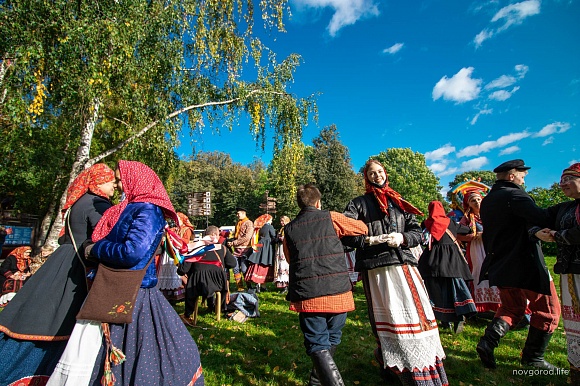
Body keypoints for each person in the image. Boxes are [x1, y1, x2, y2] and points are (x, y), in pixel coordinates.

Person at [48, 160, 204, 386]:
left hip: (132, 289)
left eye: (121, 181)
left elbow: (133, 252)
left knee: (146, 350)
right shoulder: (134, 207)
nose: (120, 186)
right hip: (117, 285)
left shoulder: (148, 210)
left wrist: (96, 249)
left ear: (136, 181)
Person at [0, 163, 116, 385]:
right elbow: (104, 234)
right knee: (62, 317)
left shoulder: (78, 203)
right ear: (99, 181)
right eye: (111, 181)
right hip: (79, 264)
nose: (114, 186)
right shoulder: (97, 203)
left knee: (44, 310)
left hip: (63, 257)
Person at [342, 159, 448, 385]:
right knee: (388, 317)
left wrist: (402, 238)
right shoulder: (358, 203)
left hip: (404, 264)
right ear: (366, 177)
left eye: (380, 171)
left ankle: (421, 367)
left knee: (418, 318)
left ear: (385, 173)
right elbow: (345, 231)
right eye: (372, 173)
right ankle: (392, 368)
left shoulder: (398, 202)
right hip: (376, 267)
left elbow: (418, 233)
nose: (377, 175)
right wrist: (368, 240)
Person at [476, 159, 561, 370]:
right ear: (512, 176)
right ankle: (533, 358)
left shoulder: (488, 200)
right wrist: (565, 208)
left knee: (512, 308)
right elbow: (540, 217)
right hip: (525, 263)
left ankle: (488, 342)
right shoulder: (514, 195)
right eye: (522, 175)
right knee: (548, 310)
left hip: (501, 263)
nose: (524, 179)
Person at [283, 183, 367, 385]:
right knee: (332, 338)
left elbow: (288, 258)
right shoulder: (332, 217)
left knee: (317, 342)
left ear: (299, 204)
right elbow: (362, 228)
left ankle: (318, 381)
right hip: (338, 291)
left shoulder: (289, 228)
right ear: (318, 202)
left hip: (308, 294)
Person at [532, 163, 580, 383]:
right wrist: (537, 233)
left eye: (568, 180)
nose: (562, 185)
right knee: (575, 323)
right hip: (570, 272)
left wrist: (557, 234)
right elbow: (536, 218)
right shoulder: (564, 208)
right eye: (561, 181)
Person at [419, 201, 476, 333]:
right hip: (452, 262)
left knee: (435, 291)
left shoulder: (425, 223)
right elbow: (467, 230)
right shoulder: (450, 223)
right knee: (455, 289)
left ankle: (444, 320)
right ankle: (459, 317)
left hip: (431, 262)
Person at [178, 225, 236, 325]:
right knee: (222, 281)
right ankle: (219, 308)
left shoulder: (195, 248)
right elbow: (232, 264)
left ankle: (188, 314)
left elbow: (182, 270)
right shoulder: (222, 248)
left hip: (197, 286)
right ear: (213, 235)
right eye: (218, 235)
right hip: (218, 284)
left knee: (190, 286)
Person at [457, 189, 502, 314]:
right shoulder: (467, 219)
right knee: (479, 273)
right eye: (473, 200)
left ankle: (502, 304)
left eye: (478, 199)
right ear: (469, 204)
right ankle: (483, 306)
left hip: (494, 246)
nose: (476, 202)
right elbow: (458, 235)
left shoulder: (492, 214)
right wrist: (473, 237)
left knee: (497, 271)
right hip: (477, 248)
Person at [157, 211, 194, 302]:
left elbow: (185, 242)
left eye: (178, 219)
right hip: (169, 253)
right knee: (166, 272)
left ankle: (179, 294)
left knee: (176, 273)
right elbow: (166, 239)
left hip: (178, 253)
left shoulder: (186, 229)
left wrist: (175, 240)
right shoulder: (173, 229)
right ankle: (167, 294)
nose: (175, 220)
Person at [245, 214, 277, 292]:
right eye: (271, 219)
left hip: (259, 244)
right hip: (266, 246)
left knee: (257, 261)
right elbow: (273, 236)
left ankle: (258, 284)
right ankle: (262, 285)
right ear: (268, 220)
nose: (271, 221)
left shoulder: (260, 227)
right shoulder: (269, 226)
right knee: (264, 262)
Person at [227, 207, 254, 291]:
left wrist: (234, 243)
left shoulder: (249, 223)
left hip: (245, 249)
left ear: (243, 213)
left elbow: (247, 237)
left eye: (238, 213)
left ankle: (249, 286)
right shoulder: (237, 223)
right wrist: (231, 240)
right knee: (235, 268)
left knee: (244, 268)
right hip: (236, 249)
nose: (237, 215)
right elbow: (235, 235)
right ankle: (240, 287)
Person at [274, 215, 290, 292]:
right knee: (280, 264)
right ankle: (282, 284)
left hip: (285, 248)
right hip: (280, 248)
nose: (281, 222)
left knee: (284, 265)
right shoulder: (281, 229)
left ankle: (286, 285)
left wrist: (280, 238)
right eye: (281, 221)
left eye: (283, 221)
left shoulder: (288, 228)